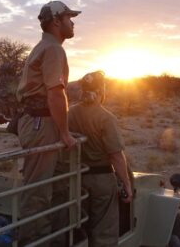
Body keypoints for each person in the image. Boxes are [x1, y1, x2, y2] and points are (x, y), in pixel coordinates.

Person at [16, 0, 81, 246]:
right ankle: (32, 240)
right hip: (41, 123)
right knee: (38, 190)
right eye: (69, 17)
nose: (72, 22)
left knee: (43, 185)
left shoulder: (43, 46)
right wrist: (64, 133)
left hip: (36, 121)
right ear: (56, 21)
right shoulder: (54, 49)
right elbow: (55, 92)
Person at [68, 71, 132, 247]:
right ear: (101, 90)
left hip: (76, 178)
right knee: (104, 231)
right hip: (101, 179)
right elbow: (116, 155)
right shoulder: (106, 117)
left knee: (78, 226)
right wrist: (126, 183)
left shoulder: (69, 113)